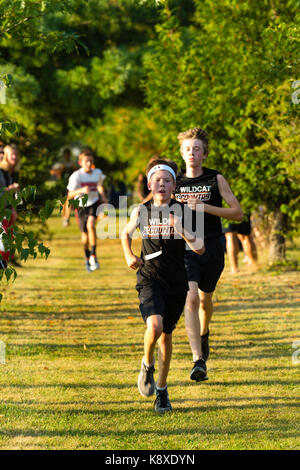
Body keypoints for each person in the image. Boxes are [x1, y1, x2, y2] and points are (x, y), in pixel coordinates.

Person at [121, 159, 205, 413]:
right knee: (154, 326)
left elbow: (200, 248)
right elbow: (125, 233)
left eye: (167, 180)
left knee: (166, 337)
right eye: (157, 180)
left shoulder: (184, 211)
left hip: (176, 281)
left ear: (174, 186)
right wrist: (129, 255)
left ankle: (162, 390)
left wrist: (181, 230)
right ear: (149, 184)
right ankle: (147, 364)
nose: (162, 184)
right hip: (150, 277)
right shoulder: (141, 211)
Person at [174, 127, 243, 382]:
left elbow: (237, 213)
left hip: (213, 247)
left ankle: (204, 333)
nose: (192, 153)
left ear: (204, 154)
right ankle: (197, 360)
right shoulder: (175, 181)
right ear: (182, 153)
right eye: (187, 149)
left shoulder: (216, 179)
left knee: (205, 300)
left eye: (197, 149)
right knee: (190, 299)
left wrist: (205, 207)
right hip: (185, 249)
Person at [67, 149, 108, 272]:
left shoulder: (98, 173)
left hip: (94, 203)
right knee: (84, 235)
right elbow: (69, 195)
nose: (89, 164)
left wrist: (104, 197)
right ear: (80, 162)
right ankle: (87, 256)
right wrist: (81, 190)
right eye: (86, 161)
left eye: (91, 161)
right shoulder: (76, 176)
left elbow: (99, 185)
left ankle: (94, 255)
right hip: (81, 206)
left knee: (91, 225)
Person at [0, 144, 21, 267]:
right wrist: (10, 189)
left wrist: (13, 208)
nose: (13, 157)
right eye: (10, 154)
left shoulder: (10, 173)